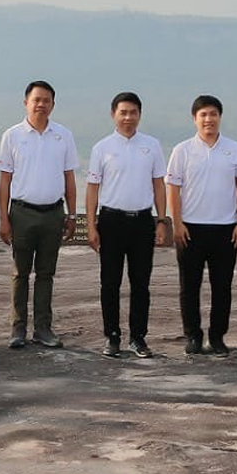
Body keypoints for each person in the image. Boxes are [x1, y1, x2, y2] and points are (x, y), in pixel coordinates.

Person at [166, 94, 237, 356]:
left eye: (213, 114)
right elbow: (173, 188)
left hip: (225, 228)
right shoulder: (182, 150)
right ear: (194, 119)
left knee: (222, 286)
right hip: (191, 228)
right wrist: (176, 224)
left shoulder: (234, 149)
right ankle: (193, 336)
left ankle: (217, 337)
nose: (208, 119)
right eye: (203, 114)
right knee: (189, 286)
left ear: (220, 117)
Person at [86, 91, 167, 358]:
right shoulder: (102, 148)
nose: (128, 117)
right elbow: (92, 189)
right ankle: (112, 336)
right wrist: (91, 225)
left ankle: (138, 338)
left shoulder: (152, 145)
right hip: (111, 221)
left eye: (133, 112)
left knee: (140, 283)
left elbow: (158, 185)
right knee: (109, 282)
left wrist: (161, 220)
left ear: (139, 115)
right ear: (113, 115)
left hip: (142, 220)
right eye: (123, 112)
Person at [0, 80, 78, 348]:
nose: (41, 104)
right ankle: (17, 329)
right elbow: (5, 181)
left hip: (53, 213)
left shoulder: (63, 135)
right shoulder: (12, 135)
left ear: (53, 104)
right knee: (20, 273)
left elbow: (70, 178)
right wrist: (3, 219)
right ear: (26, 102)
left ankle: (43, 329)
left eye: (46, 100)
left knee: (46, 274)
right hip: (22, 212)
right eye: (36, 99)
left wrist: (72, 216)